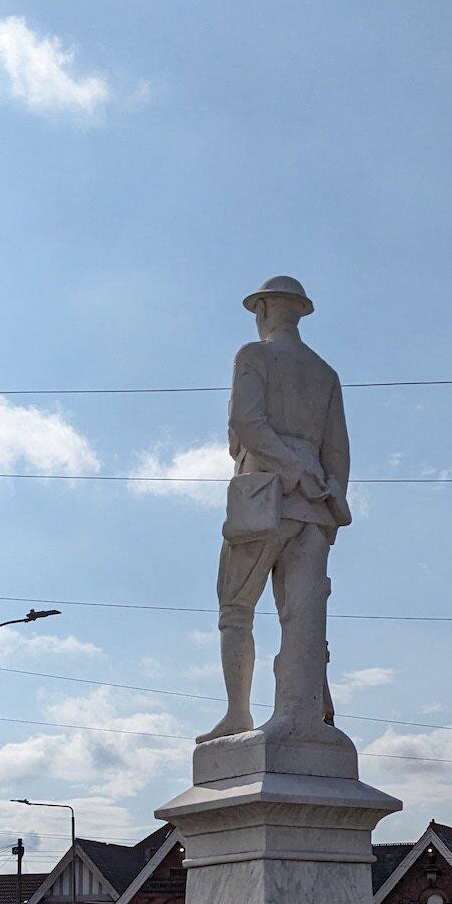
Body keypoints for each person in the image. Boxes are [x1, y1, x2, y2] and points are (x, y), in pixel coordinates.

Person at [198, 275, 351, 744]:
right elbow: (338, 450)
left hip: (262, 497)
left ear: (263, 309)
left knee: (236, 607)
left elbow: (246, 420)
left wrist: (289, 465)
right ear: (298, 312)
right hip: (315, 508)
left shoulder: (254, 355)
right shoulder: (324, 372)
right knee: (303, 616)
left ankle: (238, 714)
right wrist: (330, 494)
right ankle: (299, 717)